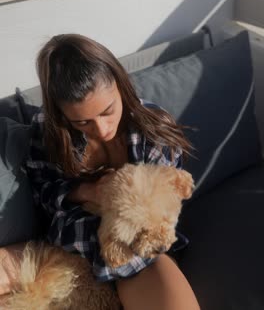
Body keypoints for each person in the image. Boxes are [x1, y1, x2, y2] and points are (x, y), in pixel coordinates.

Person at [4, 34, 200, 310]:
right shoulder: (48, 133)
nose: (102, 129)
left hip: (136, 252)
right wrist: (88, 191)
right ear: (61, 115)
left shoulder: (154, 133)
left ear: (121, 86)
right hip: (69, 245)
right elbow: (44, 196)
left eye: (108, 111)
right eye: (82, 122)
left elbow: (160, 219)